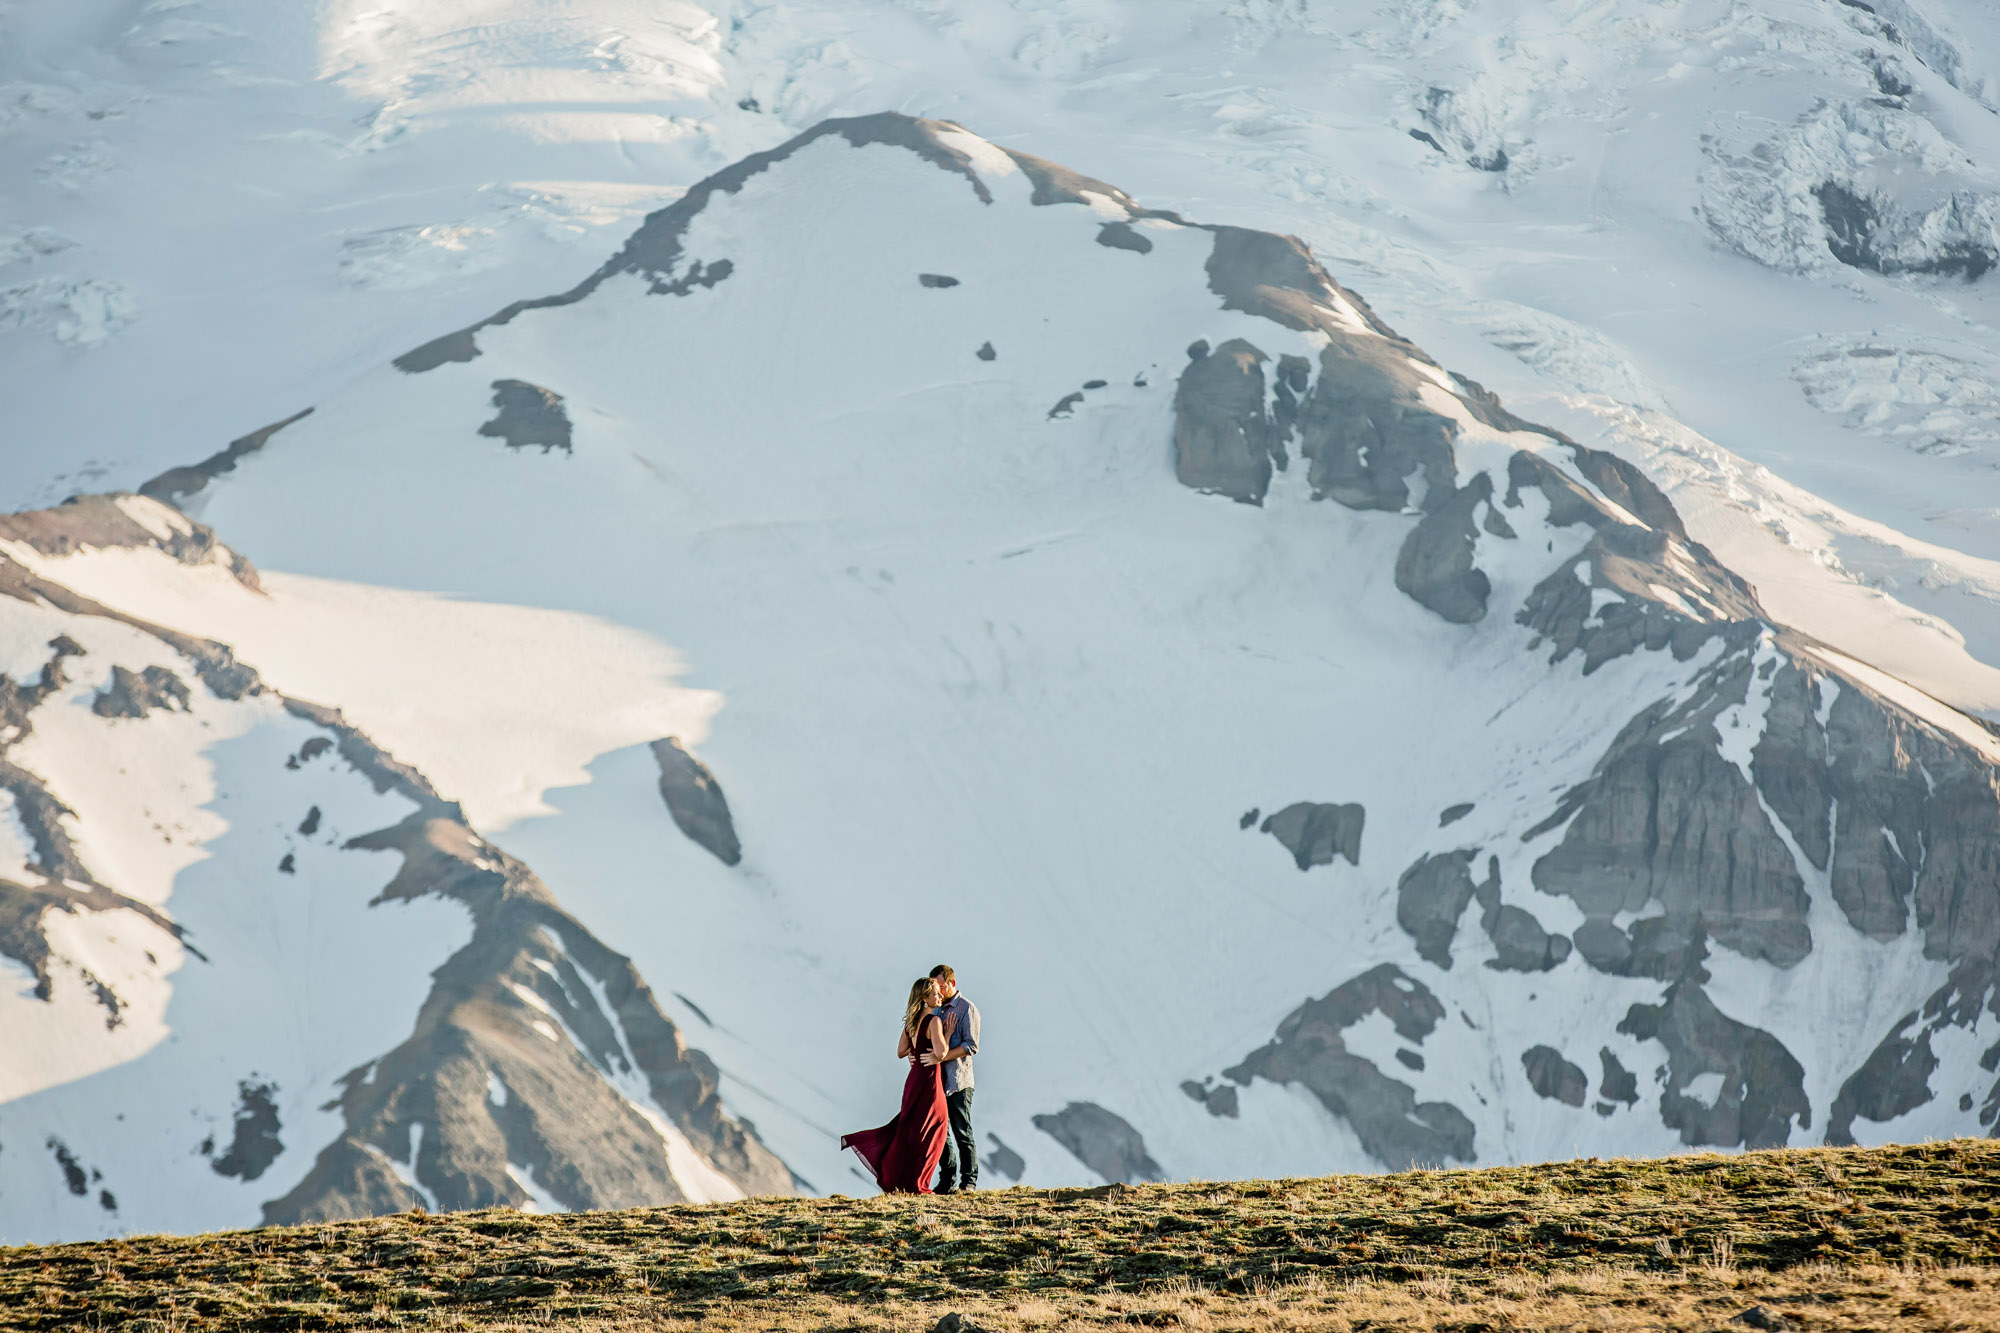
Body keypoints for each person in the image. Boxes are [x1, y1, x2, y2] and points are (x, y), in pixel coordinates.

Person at [839, 977, 950, 1193]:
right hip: (929, 1082)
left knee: (910, 1129)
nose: (940, 996)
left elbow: (900, 1051)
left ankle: (907, 1181)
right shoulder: (933, 1021)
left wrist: (915, 1053)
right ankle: (919, 1183)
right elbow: (941, 1052)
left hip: (914, 1079)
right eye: (936, 993)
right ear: (925, 998)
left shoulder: (912, 1022)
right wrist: (947, 1034)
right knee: (936, 1125)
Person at [922, 963, 980, 1193]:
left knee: (961, 1131)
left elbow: (971, 1045)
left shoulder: (967, 1009)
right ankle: (947, 1180)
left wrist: (942, 1057)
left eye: (941, 986)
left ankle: (969, 1181)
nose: (938, 991)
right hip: (938, 1082)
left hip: (959, 1081)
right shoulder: (936, 1009)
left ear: (952, 984)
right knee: (941, 1133)